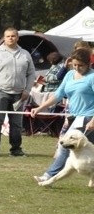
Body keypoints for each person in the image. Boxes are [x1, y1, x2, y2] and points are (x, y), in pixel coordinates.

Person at [31, 48, 94, 182]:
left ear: (88, 63)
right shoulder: (69, 75)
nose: (77, 68)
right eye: (74, 65)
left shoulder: (92, 77)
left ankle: (48, 175)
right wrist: (40, 108)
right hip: (72, 117)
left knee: (65, 145)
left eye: (80, 65)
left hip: (87, 117)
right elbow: (58, 95)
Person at [0, 27, 35, 157]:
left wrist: (27, 90)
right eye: (8, 36)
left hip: (19, 94)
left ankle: (16, 149)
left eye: (13, 36)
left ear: (17, 38)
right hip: (1, 93)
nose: (10, 38)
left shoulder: (25, 54)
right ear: (4, 38)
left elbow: (31, 73)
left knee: (16, 124)